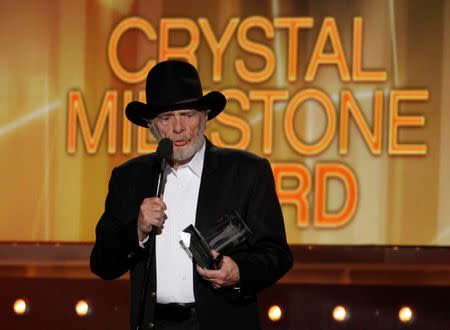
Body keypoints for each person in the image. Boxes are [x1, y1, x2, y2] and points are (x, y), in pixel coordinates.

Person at [90, 60, 293, 330]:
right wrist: (136, 231)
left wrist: (238, 272)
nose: (178, 128)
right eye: (166, 118)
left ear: (205, 117)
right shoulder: (130, 177)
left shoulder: (246, 172)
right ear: (152, 126)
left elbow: (277, 254)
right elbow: (102, 264)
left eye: (187, 114)